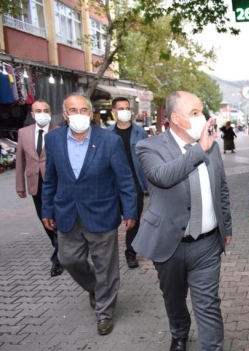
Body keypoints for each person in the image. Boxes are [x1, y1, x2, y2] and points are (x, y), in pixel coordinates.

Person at [132, 91, 232, 351]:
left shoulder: (212, 146)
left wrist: (226, 227)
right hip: (169, 244)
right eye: (195, 112)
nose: (202, 117)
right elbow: (163, 177)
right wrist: (199, 149)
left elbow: (222, 188)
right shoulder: (149, 147)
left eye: (202, 111)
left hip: (206, 244)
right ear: (176, 118)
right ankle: (179, 331)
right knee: (174, 298)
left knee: (208, 306)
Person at [41, 93, 138, 336]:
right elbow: (50, 179)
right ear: (65, 115)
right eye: (73, 110)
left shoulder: (109, 141)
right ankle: (95, 287)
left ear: (91, 113)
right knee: (68, 259)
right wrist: (47, 209)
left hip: (102, 212)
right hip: (66, 212)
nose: (79, 115)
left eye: (83, 110)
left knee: (106, 266)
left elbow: (125, 179)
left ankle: (104, 313)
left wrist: (130, 210)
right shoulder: (53, 140)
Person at [15, 100, 63, 277]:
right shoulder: (23, 133)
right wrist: (20, 185)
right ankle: (59, 247)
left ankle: (58, 257)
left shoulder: (59, 131)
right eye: (38, 111)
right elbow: (20, 160)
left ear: (50, 112)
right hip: (36, 183)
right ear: (32, 114)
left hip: (57, 183)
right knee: (44, 218)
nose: (43, 113)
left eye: (46, 110)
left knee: (57, 218)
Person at [106, 97, 149, 268]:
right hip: (112, 183)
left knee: (134, 219)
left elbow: (146, 157)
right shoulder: (106, 133)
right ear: (114, 111)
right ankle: (106, 252)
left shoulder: (140, 132)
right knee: (110, 218)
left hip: (135, 182)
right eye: (121, 108)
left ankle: (131, 252)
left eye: (127, 108)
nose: (125, 111)